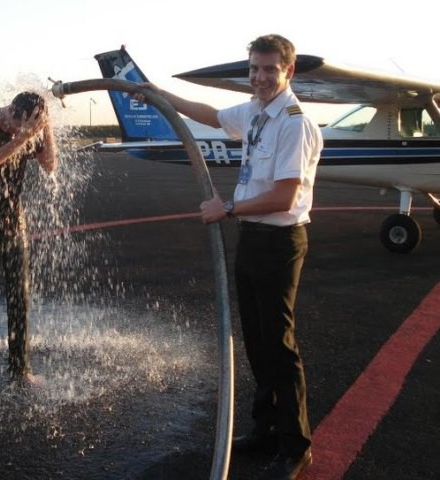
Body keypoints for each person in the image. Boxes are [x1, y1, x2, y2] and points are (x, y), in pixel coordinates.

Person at [135, 34, 322, 480]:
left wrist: (229, 208)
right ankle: (266, 430)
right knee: (257, 340)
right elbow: (212, 115)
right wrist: (159, 95)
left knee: (279, 344)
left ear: (288, 72)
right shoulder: (256, 111)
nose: (258, 77)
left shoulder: (293, 122)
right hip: (253, 239)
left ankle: (296, 447)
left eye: (269, 69)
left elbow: (284, 195)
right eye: (254, 69)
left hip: (279, 242)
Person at [0, 91, 57, 404]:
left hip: (15, 226)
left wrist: (45, 127)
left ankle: (21, 369)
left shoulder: (28, 130)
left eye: (25, 129)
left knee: (20, 301)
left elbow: (49, 164)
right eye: (18, 126)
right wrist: (22, 138)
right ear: (12, 111)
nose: (19, 133)